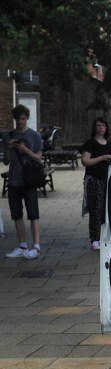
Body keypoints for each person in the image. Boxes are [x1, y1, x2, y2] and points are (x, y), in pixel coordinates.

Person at [3, 105, 44, 259]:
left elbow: (39, 157)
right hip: (14, 179)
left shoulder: (34, 136)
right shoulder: (9, 136)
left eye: (23, 119)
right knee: (16, 214)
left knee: (33, 213)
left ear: (27, 118)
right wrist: (8, 148)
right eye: (18, 119)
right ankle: (22, 245)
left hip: (29, 179)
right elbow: (6, 161)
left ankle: (37, 246)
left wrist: (25, 151)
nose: (20, 122)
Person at [80, 118, 111, 250]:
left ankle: (105, 236)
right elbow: (85, 161)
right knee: (95, 209)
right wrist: (102, 157)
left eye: (103, 125)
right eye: (98, 125)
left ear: (106, 128)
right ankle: (94, 238)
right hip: (94, 180)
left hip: (107, 180)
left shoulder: (109, 144)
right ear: (94, 128)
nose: (101, 127)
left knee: (106, 210)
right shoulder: (90, 143)